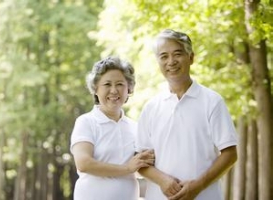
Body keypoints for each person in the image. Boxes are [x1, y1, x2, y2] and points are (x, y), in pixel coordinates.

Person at [135, 29, 238, 200]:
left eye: (177, 54)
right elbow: (140, 162)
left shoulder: (212, 101)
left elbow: (230, 154)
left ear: (191, 58)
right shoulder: (151, 107)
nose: (171, 61)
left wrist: (198, 186)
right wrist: (163, 181)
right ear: (158, 62)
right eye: (164, 56)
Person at [70, 56, 154, 200]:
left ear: (129, 89)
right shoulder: (86, 122)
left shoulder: (135, 127)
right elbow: (84, 163)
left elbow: (141, 168)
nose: (114, 90)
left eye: (120, 84)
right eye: (107, 84)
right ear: (95, 89)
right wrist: (127, 169)